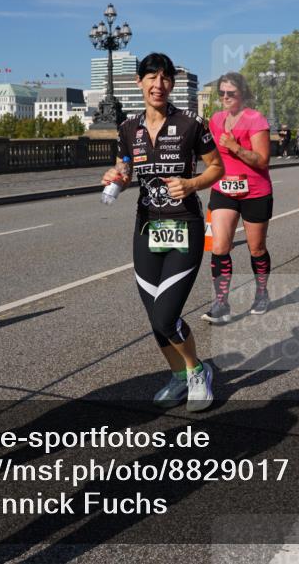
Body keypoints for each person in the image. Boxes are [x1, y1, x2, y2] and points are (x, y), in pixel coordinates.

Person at [102, 53, 224, 412]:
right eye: (152, 78)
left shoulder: (191, 123)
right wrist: (115, 178)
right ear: (139, 82)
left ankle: (198, 371)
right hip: (146, 228)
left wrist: (192, 184)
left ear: (172, 83)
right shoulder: (128, 128)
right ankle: (178, 376)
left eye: (165, 78)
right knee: (154, 314)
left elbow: (216, 167)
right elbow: (124, 170)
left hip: (184, 226)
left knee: (165, 315)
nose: (159, 85)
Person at [202, 72, 272, 324]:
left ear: (242, 93)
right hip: (223, 190)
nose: (225, 97)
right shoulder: (216, 120)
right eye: (221, 93)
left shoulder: (255, 119)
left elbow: (262, 160)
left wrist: (235, 147)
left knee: (256, 249)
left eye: (230, 93)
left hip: (255, 192)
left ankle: (262, 293)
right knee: (219, 246)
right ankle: (221, 303)